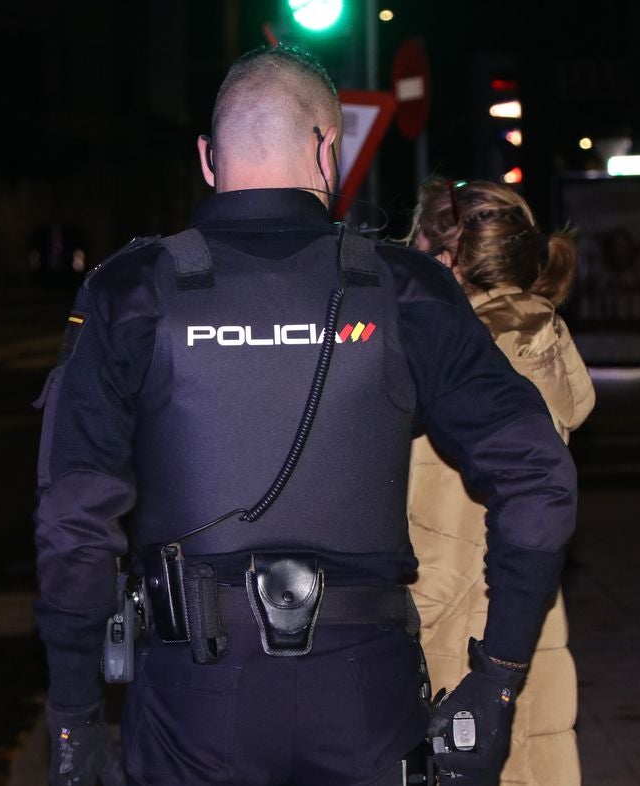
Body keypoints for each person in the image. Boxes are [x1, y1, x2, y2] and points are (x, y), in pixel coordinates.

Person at [32, 45, 578, 786]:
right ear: (330, 149)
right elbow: (539, 479)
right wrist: (499, 680)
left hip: (193, 705)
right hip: (364, 697)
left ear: (206, 157)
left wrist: (74, 718)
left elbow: (72, 521)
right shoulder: (402, 289)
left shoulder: (131, 292)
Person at [405, 178, 595, 786]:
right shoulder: (544, 341)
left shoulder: (459, 361)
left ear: (440, 260)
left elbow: (439, 541)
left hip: (453, 652)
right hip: (521, 638)